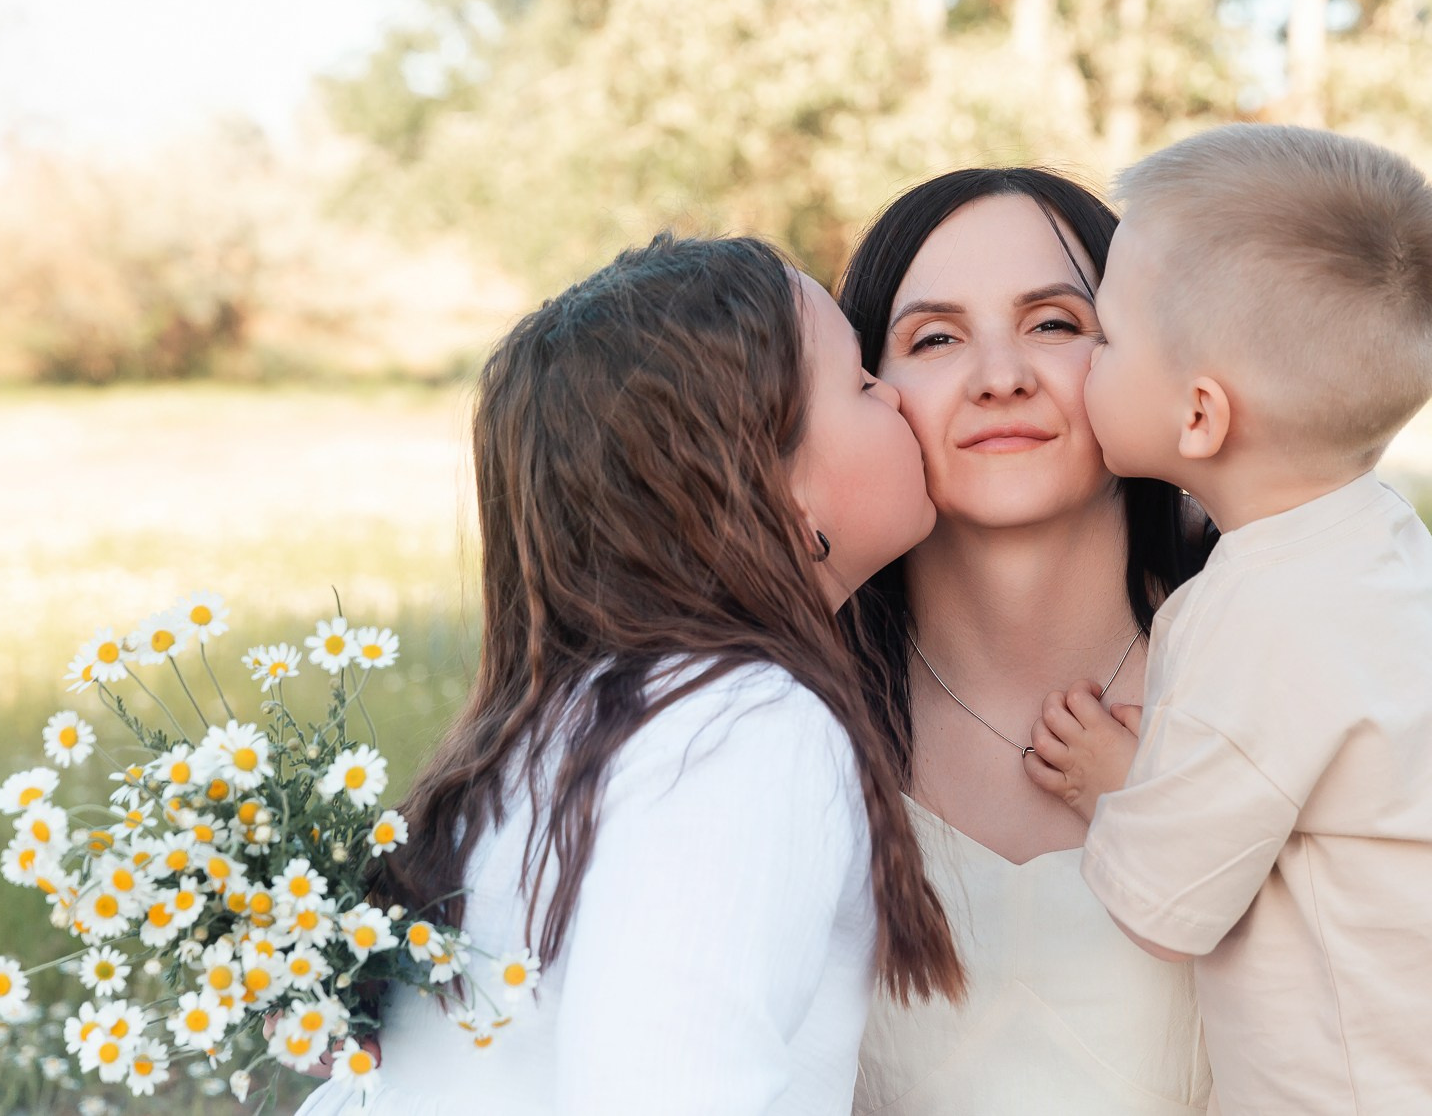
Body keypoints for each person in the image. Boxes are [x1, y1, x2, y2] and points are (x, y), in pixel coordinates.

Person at [297, 233, 964, 1115]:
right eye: (862, 382)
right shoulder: (744, 728)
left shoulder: (555, 723)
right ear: (774, 483)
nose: (897, 398)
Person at [1029, 124, 1432, 1113]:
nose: (1079, 367)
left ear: (1199, 417)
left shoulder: (1260, 617)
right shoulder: (1375, 543)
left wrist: (1113, 782)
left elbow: (1162, 908)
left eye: (1101, 337)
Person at [837, 169, 1217, 1115]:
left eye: (1053, 323)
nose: (1001, 377)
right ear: (865, 392)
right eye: (935, 337)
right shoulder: (794, 713)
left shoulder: (1256, 669)